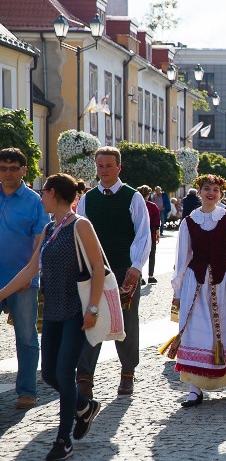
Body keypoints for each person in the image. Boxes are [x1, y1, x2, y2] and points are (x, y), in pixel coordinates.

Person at [0, 174, 103, 461]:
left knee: (64, 373)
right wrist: (1, 293)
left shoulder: (80, 225)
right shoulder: (49, 228)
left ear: (54, 193)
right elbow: (31, 269)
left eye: (43, 190)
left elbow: (97, 267)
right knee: (48, 374)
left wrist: (92, 309)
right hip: (54, 311)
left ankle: (63, 438)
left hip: (76, 311)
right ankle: (85, 407)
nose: (39, 194)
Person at [162, 174, 226, 407]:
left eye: (216, 189)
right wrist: (178, 288)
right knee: (196, 330)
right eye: (207, 188)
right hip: (196, 283)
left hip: (225, 280)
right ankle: (194, 388)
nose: (211, 193)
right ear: (200, 191)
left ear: (222, 194)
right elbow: (182, 257)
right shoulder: (189, 221)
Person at [75, 146, 151, 398]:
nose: (104, 170)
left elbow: (143, 234)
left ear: (119, 168)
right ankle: (85, 376)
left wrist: (136, 267)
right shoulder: (88, 199)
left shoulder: (133, 197)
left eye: (109, 166)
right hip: (94, 271)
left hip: (123, 268)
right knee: (89, 319)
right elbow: (80, 234)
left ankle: (127, 373)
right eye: (100, 166)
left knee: (127, 321)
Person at [0, 148, 50, 409]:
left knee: (26, 337)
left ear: (24, 170)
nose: (7, 173)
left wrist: (30, 276)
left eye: (13, 168)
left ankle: (27, 391)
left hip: (22, 281)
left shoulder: (34, 201)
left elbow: (41, 243)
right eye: (3, 168)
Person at [137, 186, 160, 284]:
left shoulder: (137, 205)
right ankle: (151, 276)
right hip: (150, 232)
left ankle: (140, 277)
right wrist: (157, 234)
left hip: (138, 232)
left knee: (138, 255)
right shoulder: (152, 206)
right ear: (148, 194)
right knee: (151, 254)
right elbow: (156, 222)